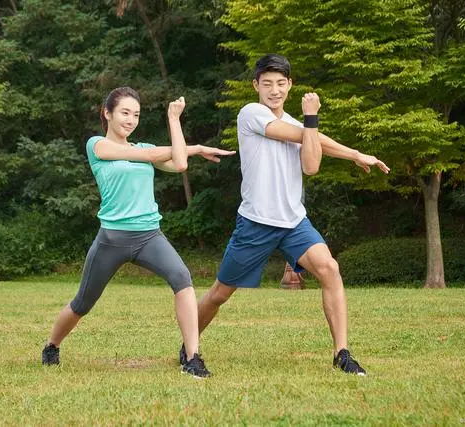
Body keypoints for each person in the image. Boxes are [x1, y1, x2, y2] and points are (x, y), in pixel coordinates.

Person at [180, 54, 390, 375]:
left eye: (281, 83)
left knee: (329, 268)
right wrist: (312, 119)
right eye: (267, 84)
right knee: (220, 294)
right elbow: (305, 136)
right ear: (256, 86)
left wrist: (355, 154)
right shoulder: (251, 113)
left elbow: (311, 165)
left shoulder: (300, 123)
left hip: (294, 223)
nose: (274, 90)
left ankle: (342, 353)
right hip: (256, 222)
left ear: (290, 85)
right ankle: (189, 346)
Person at [42, 86, 235, 378]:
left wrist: (174, 120)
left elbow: (180, 163)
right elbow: (145, 155)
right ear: (107, 113)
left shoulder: (145, 149)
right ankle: (52, 346)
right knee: (83, 302)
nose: (131, 120)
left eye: (136, 115)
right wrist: (193, 148)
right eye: (124, 113)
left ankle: (192, 357)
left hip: (149, 236)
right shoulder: (97, 146)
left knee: (182, 278)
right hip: (111, 239)